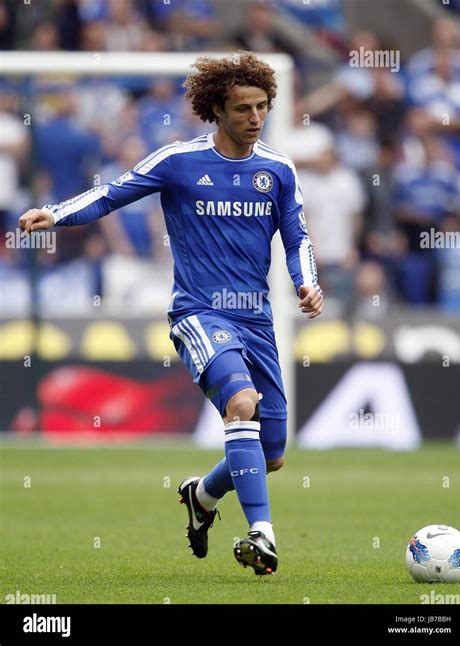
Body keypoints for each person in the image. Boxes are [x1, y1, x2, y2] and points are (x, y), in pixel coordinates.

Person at [19, 51, 324, 575]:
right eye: (242, 108)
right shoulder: (178, 161)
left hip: (256, 319)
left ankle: (202, 497)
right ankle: (262, 533)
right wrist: (57, 214)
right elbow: (111, 195)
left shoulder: (277, 169)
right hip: (199, 313)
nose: (254, 118)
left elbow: (297, 238)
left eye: (262, 107)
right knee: (242, 402)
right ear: (216, 109)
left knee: (272, 454)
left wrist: (307, 283)